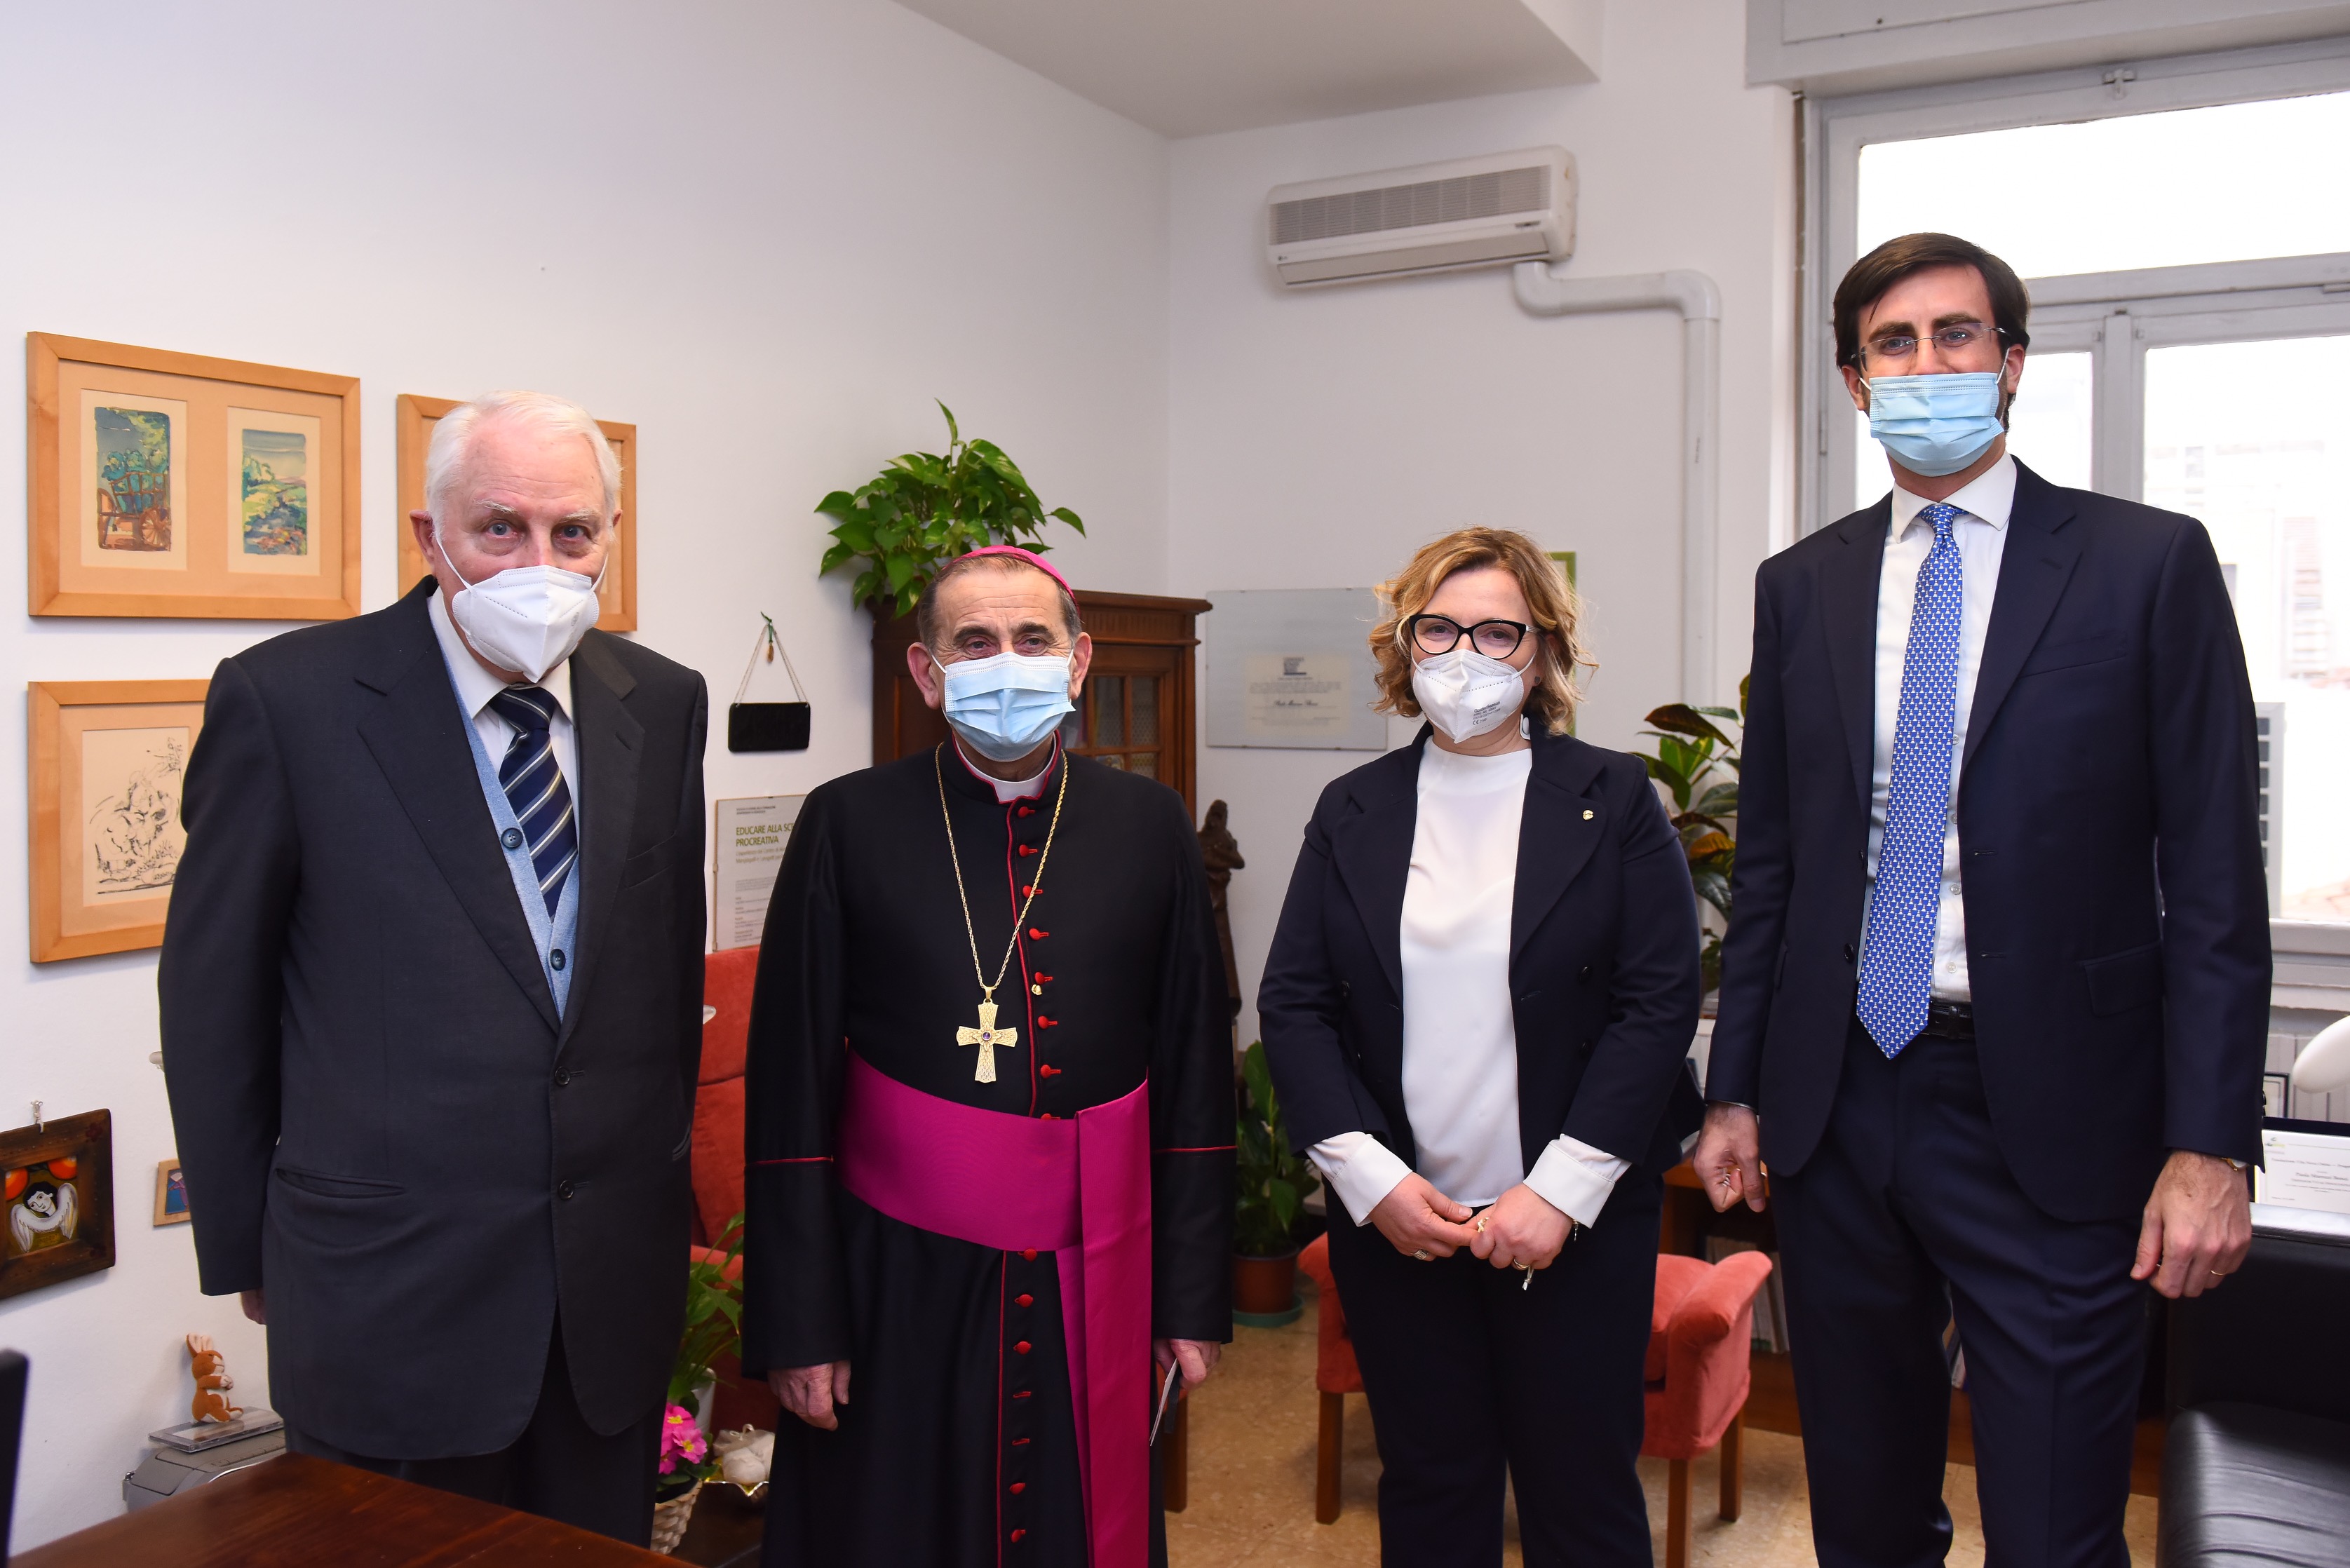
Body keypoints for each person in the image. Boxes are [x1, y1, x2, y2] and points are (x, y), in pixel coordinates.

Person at [1697, 233, 2268, 1568]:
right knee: (1864, 1515)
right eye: (1893, 344)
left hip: (2060, 1113)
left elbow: (2214, 877)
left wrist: (2210, 1144)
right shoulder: (1804, 586)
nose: (1928, 365)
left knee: (2058, 1527)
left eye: (1957, 335)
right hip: (1840, 1102)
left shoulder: (2145, 564)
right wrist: (1735, 1091)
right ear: (1856, 383)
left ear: (2011, 364)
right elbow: (1773, 864)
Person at [158, 391, 709, 1546]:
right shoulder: (289, 700)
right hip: (384, 1293)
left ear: (611, 536)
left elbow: (662, 983)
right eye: (499, 528)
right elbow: (214, 1002)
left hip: (607, 1296)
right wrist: (250, 1246)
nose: (539, 562)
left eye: (572, 532)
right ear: (429, 535)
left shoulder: (660, 701)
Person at [742, 546, 1233, 1568]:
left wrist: (1189, 1295)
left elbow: (1195, 1070)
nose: (1006, 661)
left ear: (1078, 662)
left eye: (1032, 639)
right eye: (974, 642)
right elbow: (790, 1089)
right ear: (926, 674)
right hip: (895, 1278)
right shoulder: (847, 822)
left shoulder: (1148, 824)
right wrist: (799, 1322)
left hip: (1093, 1270)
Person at [1258, 527, 1703, 1567]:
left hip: (1575, 1221)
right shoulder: (1352, 808)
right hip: (1405, 1226)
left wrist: (1559, 1192)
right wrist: (1370, 1182)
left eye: (1499, 632)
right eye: (1440, 629)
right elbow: (1296, 1005)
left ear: (1541, 655)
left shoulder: (1615, 799)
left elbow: (1656, 1004)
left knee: (1583, 1496)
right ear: (1404, 645)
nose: (1466, 655)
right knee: (1431, 1487)